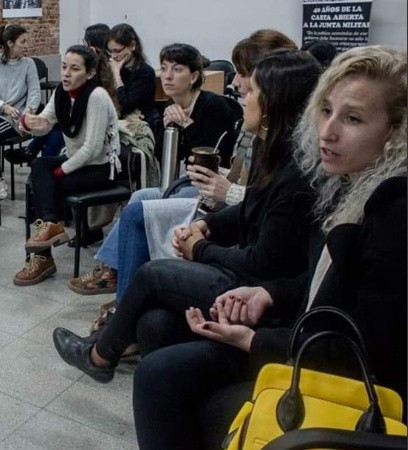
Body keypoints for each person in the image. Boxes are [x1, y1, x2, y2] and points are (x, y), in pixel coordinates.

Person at [133, 44, 407, 450]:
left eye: (352, 118)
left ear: (395, 131)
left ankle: (104, 350)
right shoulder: (340, 179)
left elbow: (363, 350)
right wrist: (268, 293)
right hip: (298, 330)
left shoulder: (393, 209)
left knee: (162, 372)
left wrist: (252, 339)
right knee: (156, 326)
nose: (327, 131)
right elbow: (320, 281)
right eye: (326, 111)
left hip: (342, 382)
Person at [52, 50, 322, 383]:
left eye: (252, 90)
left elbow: (263, 260)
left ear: (273, 105)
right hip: (241, 260)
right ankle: (138, 352)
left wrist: (200, 249)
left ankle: (99, 356)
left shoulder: (294, 172)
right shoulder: (270, 149)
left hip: (260, 290)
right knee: (153, 323)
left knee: (153, 272)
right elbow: (249, 206)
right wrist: (207, 225)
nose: (241, 92)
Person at [71, 31, 297, 334]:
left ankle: (121, 307)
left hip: (213, 194)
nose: (166, 76)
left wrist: (188, 130)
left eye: (176, 69)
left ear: (194, 76)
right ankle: (115, 274)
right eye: (164, 68)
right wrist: (167, 128)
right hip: (205, 189)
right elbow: (172, 162)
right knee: (140, 197)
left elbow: (217, 166)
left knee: (141, 210)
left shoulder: (219, 109)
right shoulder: (245, 126)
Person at [12, 45, 120, 286]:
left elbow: (92, 149)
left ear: (90, 73)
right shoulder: (62, 92)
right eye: (63, 67)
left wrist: (61, 170)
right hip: (76, 161)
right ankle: (51, 225)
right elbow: (46, 124)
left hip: (100, 168)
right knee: (39, 166)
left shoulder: (97, 97)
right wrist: (29, 122)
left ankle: (42, 258)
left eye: (74, 68)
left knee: (48, 186)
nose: (66, 74)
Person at [0, 24, 41, 209]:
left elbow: (34, 93)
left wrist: (27, 115)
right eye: (23, 42)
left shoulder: (28, 64)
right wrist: (2, 106)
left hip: (15, 119)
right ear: (10, 43)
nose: (26, 45)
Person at [106, 23, 157, 124]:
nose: (113, 56)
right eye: (110, 51)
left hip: (139, 127)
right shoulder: (109, 67)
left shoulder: (145, 72)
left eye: (118, 51)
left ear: (132, 46)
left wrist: (116, 75)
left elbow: (126, 107)